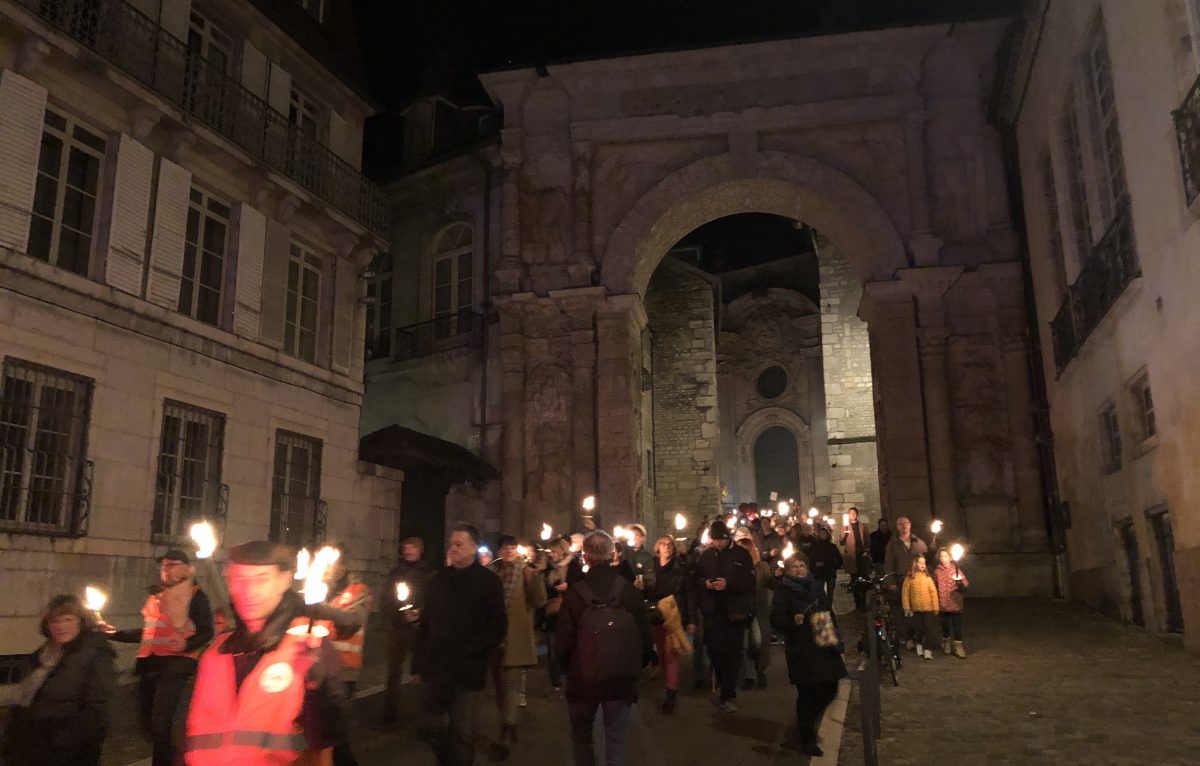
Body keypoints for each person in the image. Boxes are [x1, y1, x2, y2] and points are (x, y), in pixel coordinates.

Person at [183, 540, 349, 765]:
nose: (248, 591)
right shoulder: (215, 653)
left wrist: (315, 687)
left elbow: (328, 738)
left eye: (261, 579)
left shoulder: (308, 643)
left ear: (284, 580)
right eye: (239, 579)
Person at [102, 548, 213, 766]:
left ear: (186, 568)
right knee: (147, 722)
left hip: (176, 665)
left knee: (161, 721)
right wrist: (115, 633)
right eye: (163, 566)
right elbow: (149, 631)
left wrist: (187, 644)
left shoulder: (195, 595)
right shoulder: (156, 596)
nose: (165, 570)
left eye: (171, 565)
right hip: (150, 664)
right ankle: (169, 757)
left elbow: (207, 630)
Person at [555, 531, 653, 766]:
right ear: (611, 554)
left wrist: (569, 668)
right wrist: (636, 665)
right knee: (616, 740)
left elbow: (563, 641)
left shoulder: (575, 593)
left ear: (585, 556)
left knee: (582, 740)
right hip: (619, 679)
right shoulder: (628, 591)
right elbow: (644, 635)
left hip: (583, 679)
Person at [413, 523, 507, 766]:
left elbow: (498, 626)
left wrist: (472, 650)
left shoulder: (488, 583)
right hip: (436, 668)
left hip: (466, 671)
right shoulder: (438, 580)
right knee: (431, 727)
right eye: (451, 544)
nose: (452, 549)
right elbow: (427, 623)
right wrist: (418, 663)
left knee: (463, 732)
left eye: (459, 544)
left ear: (474, 548)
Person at [2, 594, 116, 766]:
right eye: (55, 621)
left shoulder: (95, 654)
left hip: (64, 751)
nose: (61, 626)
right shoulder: (43, 654)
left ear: (81, 621)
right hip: (30, 742)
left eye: (68, 619)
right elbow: (27, 696)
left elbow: (97, 712)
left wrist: (61, 741)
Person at [770, 557, 846, 758]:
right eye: (794, 566)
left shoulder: (815, 586)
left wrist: (837, 635)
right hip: (801, 648)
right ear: (787, 570)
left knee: (831, 687)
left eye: (802, 565)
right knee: (807, 693)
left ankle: (809, 720)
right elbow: (776, 620)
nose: (799, 569)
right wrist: (792, 620)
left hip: (823, 643)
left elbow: (828, 611)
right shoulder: (783, 591)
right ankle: (807, 737)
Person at [308, 545, 371, 766]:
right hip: (317, 669)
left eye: (331, 563)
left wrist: (320, 608)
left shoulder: (358, 590)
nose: (326, 568)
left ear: (342, 566)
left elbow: (353, 620)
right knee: (322, 733)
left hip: (343, 673)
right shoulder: (318, 588)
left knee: (337, 736)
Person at [488, 535, 548, 750]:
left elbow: (540, 601)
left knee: (511, 685)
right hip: (494, 638)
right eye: (504, 548)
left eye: (512, 547)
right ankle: (509, 723)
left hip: (515, 637)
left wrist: (535, 578)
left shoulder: (526, 572)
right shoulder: (492, 573)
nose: (509, 551)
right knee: (499, 686)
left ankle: (507, 727)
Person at [691, 519, 755, 713]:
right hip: (712, 610)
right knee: (714, 649)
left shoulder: (742, 555)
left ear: (728, 538)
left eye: (721, 540)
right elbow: (695, 578)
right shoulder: (706, 556)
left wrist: (729, 585)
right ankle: (722, 678)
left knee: (733, 653)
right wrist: (706, 584)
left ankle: (728, 694)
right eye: (715, 540)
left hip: (734, 611)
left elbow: (748, 583)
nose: (718, 544)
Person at [377, 537, 436, 727]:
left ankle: (424, 716)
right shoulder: (396, 573)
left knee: (420, 672)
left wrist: (420, 613)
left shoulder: (429, 574)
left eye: (413, 548)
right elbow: (387, 597)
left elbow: (433, 600)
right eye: (406, 548)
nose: (409, 551)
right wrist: (391, 617)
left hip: (418, 630)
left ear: (420, 550)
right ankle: (389, 714)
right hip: (397, 628)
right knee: (393, 671)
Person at [646, 533, 695, 713]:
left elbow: (689, 593)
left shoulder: (680, 568)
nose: (666, 547)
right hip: (656, 614)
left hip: (673, 614)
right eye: (663, 544)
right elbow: (646, 590)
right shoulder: (650, 566)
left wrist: (691, 619)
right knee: (661, 653)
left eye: (670, 545)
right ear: (657, 547)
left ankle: (671, 691)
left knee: (671, 653)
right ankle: (668, 681)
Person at [735, 534, 776, 690]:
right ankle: (749, 675)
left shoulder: (761, 567)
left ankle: (761, 670)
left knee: (758, 642)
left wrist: (778, 576)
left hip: (758, 611)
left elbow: (770, 584)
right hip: (742, 611)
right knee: (745, 644)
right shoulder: (735, 568)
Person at [883, 516, 929, 648]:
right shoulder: (893, 544)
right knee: (905, 611)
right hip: (900, 581)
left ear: (910, 525)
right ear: (897, 527)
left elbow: (925, 561)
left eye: (906, 523)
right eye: (900, 524)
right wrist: (890, 581)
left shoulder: (918, 542)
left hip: (916, 582)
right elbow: (888, 564)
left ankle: (919, 636)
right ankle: (908, 636)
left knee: (918, 610)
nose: (903, 526)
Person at [543, 537, 575, 691]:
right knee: (552, 647)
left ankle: (571, 677)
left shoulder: (574, 565)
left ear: (562, 551)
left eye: (554, 552)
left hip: (569, 612)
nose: (552, 555)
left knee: (569, 646)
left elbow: (581, 584)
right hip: (552, 612)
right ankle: (555, 682)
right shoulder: (549, 567)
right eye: (551, 552)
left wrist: (568, 586)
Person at [933, 547, 970, 658]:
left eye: (945, 556)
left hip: (955, 603)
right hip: (943, 603)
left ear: (950, 557)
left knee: (957, 626)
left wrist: (960, 585)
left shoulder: (956, 570)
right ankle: (946, 642)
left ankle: (958, 646)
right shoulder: (937, 571)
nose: (943, 558)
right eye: (941, 556)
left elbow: (965, 583)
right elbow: (934, 585)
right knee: (945, 625)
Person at [901, 555, 940, 661]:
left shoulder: (928, 577)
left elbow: (933, 593)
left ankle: (927, 649)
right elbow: (905, 594)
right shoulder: (910, 578)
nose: (923, 565)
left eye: (924, 563)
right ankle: (919, 644)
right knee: (918, 628)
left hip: (928, 608)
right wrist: (907, 607)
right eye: (920, 563)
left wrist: (935, 607)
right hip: (916, 609)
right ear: (915, 564)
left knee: (928, 628)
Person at [839, 508, 871, 610]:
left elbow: (867, 539)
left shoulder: (862, 526)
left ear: (857, 514)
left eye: (854, 513)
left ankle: (866, 602)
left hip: (862, 556)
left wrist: (867, 550)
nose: (852, 515)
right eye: (850, 514)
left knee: (864, 579)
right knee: (855, 580)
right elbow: (842, 542)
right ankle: (858, 604)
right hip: (852, 558)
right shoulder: (845, 526)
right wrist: (845, 534)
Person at [807, 526, 843, 609]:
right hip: (819, 573)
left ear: (827, 535)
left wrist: (834, 566)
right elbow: (810, 559)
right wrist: (815, 565)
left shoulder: (832, 546)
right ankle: (822, 607)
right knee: (819, 591)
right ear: (819, 535)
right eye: (821, 533)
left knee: (830, 592)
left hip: (830, 572)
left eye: (824, 533)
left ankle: (828, 608)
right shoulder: (814, 546)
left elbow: (839, 559)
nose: (823, 535)